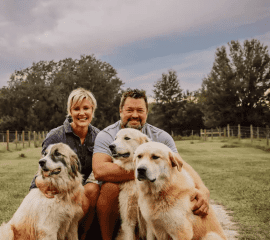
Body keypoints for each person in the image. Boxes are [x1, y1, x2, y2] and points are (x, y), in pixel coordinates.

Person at [92, 88, 210, 240]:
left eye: (140, 110)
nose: (135, 115)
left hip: (151, 187)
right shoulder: (107, 135)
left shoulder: (160, 136)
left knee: (176, 191)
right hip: (120, 186)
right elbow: (100, 171)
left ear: (147, 112)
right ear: (121, 111)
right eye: (129, 110)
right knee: (109, 188)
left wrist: (202, 188)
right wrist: (145, 170)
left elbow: (180, 164)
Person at [29, 87, 101, 240]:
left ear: (92, 110)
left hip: (83, 190)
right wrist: (39, 183)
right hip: (60, 189)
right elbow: (41, 170)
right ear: (70, 111)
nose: (82, 113)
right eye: (76, 109)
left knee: (91, 190)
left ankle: (83, 235)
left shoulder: (99, 137)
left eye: (86, 108)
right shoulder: (55, 136)